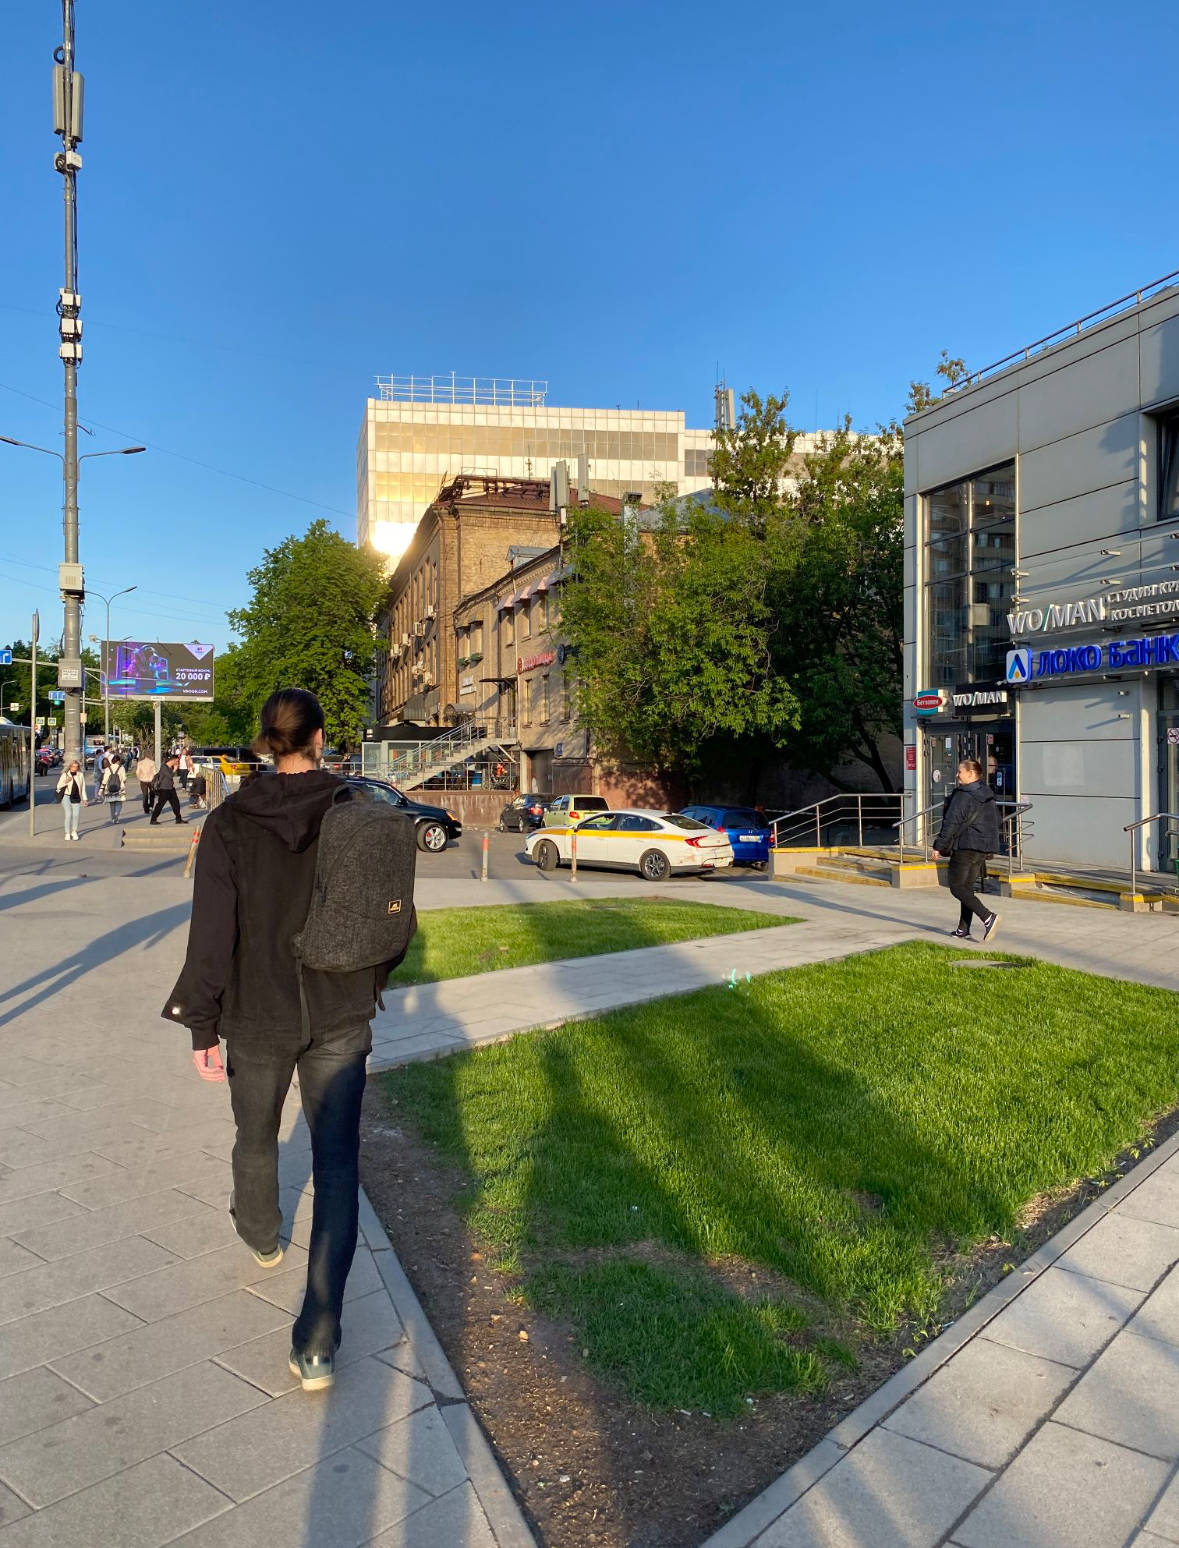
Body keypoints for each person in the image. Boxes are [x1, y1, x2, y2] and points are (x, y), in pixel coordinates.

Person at [162, 688, 411, 1392]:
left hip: (256, 1013)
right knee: (337, 1166)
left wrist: (200, 1023)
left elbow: (211, 934)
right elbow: (393, 918)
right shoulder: (357, 809)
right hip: (340, 1009)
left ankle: (260, 1234)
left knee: (254, 1134)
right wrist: (371, 980)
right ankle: (319, 1339)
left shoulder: (229, 821)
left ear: (265, 742)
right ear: (320, 738)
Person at [932, 758, 1002, 942]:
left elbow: (951, 823)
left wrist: (938, 846)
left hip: (965, 846)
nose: (957, 775)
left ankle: (988, 917)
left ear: (970, 774)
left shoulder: (963, 795)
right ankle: (963, 929)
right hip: (981, 848)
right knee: (967, 888)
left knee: (956, 887)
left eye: (960, 772)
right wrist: (989, 846)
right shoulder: (987, 794)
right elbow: (997, 821)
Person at [149, 755, 187, 825]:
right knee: (160, 805)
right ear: (173, 760)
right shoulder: (164, 767)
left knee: (176, 804)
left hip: (171, 789)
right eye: (177, 761)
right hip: (164, 789)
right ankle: (153, 819)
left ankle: (178, 819)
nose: (178, 763)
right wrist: (174, 770)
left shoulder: (170, 767)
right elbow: (169, 776)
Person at [56, 759, 87, 842]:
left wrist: (84, 799)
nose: (75, 768)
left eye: (76, 767)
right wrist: (66, 781)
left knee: (76, 815)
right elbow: (58, 786)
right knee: (68, 814)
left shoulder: (80, 775)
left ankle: (74, 831)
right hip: (66, 796)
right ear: (70, 767)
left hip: (76, 796)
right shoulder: (65, 775)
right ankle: (67, 833)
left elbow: (83, 788)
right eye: (73, 767)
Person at [102, 753, 127, 824]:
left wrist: (101, 789)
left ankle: (113, 818)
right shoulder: (121, 768)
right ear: (118, 761)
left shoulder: (107, 769)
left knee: (112, 804)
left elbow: (105, 780)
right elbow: (124, 778)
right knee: (119, 803)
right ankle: (117, 814)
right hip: (120, 788)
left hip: (109, 788)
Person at [136, 749, 157, 815]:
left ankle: (146, 809)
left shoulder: (140, 763)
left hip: (143, 780)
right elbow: (155, 773)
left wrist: (139, 778)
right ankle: (151, 806)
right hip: (151, 780)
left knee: (144, 794)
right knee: (152, 794)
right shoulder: (152, 763)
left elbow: (137, 772)